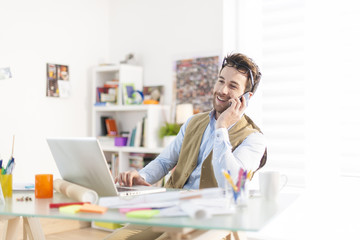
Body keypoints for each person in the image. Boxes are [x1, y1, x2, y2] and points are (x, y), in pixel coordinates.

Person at [115, 52, 267, 190]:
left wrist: (222, 127)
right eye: (221, 81)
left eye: (233, 86)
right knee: (128, 220)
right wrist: (142, 176)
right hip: (171, 206)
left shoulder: (254, 139)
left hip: (208, 215)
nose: (222, 90)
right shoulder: (193, 122)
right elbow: (164, 161)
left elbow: (231, 184)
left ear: (247, 97)